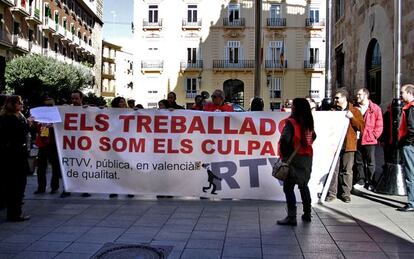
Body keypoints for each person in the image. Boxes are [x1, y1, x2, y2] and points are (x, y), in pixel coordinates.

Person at [277, 98, 316, 226]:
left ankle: (291, 217)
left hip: (293, 159)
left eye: (293, 106)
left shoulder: (291, 122)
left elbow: (284, 141)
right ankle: (307, 213)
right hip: (307, 158)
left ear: (296, 108)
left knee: (288, 187)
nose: (291, 107)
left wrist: (285, 157)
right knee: (304, 185)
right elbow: (314, 136)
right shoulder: (309, 122)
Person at [326, 88, 364, 203]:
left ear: (344, 98)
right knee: (333, 169)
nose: (335, 100)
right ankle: (332, 193)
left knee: (347, 170)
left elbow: (361, 127)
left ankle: (345, 193)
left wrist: (352, 117)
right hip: (334, 145)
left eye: (337, 97)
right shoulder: (332, 110)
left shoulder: (355, 111)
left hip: (349, 145)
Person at [0, 95, 31, 221]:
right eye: (19, 103)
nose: (21, 105)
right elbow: (17, 134)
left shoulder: (19, 116)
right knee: (15, 184)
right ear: (12, 105)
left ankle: (16, 210)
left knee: (20, 183)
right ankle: (14, 213)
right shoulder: (8, 118)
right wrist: (28, 124)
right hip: (13, 155)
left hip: (20, 153)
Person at [61, 90, 91, 198]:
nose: (74, 101)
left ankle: (85, 189)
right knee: (68, 167)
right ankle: (66, 189)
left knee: (83, 167)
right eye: (72, 98)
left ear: (81, 99)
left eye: (76, 98)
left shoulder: (87, 110)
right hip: (70, 144)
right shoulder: (66, 110)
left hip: (83, 145)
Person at [353, 88, 383, 191]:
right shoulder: (355, 108)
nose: (357, 96)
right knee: (359, 161)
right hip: (357, 138)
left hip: (369, 139)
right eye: (357, 95)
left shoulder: (375, 108)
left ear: (365, 95)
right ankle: (360, 180)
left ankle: (371, 181)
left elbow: (379, 124)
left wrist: (374, 135)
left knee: (370, 162)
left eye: (359, 94)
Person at [34, 97, 61, 195]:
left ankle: (54, 187)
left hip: (54, 144)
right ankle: (41, 187)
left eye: (51, 105)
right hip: (43, 143)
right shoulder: (39, 115)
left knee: (55, 167)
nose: (49, 107)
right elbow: (35, 128)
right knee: (41, 167)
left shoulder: (58, 114)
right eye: (47, 105)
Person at [109, 97, 134, 199]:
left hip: (127, 146)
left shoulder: (131, 113)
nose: (123, 103)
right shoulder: (110, 113)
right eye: (120, 102)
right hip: (114, 146)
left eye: (124, 102)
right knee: (115, 169)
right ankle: (114, 190)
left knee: (127, 170)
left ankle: (129, 190)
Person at [397, 84, 414, 212]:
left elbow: (411, 128)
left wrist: (405, 142)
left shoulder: (411, 108)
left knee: (410, 174)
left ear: (409, 93)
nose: (400, 95)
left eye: (402, 92)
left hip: (410, 145)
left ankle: (412, 202)